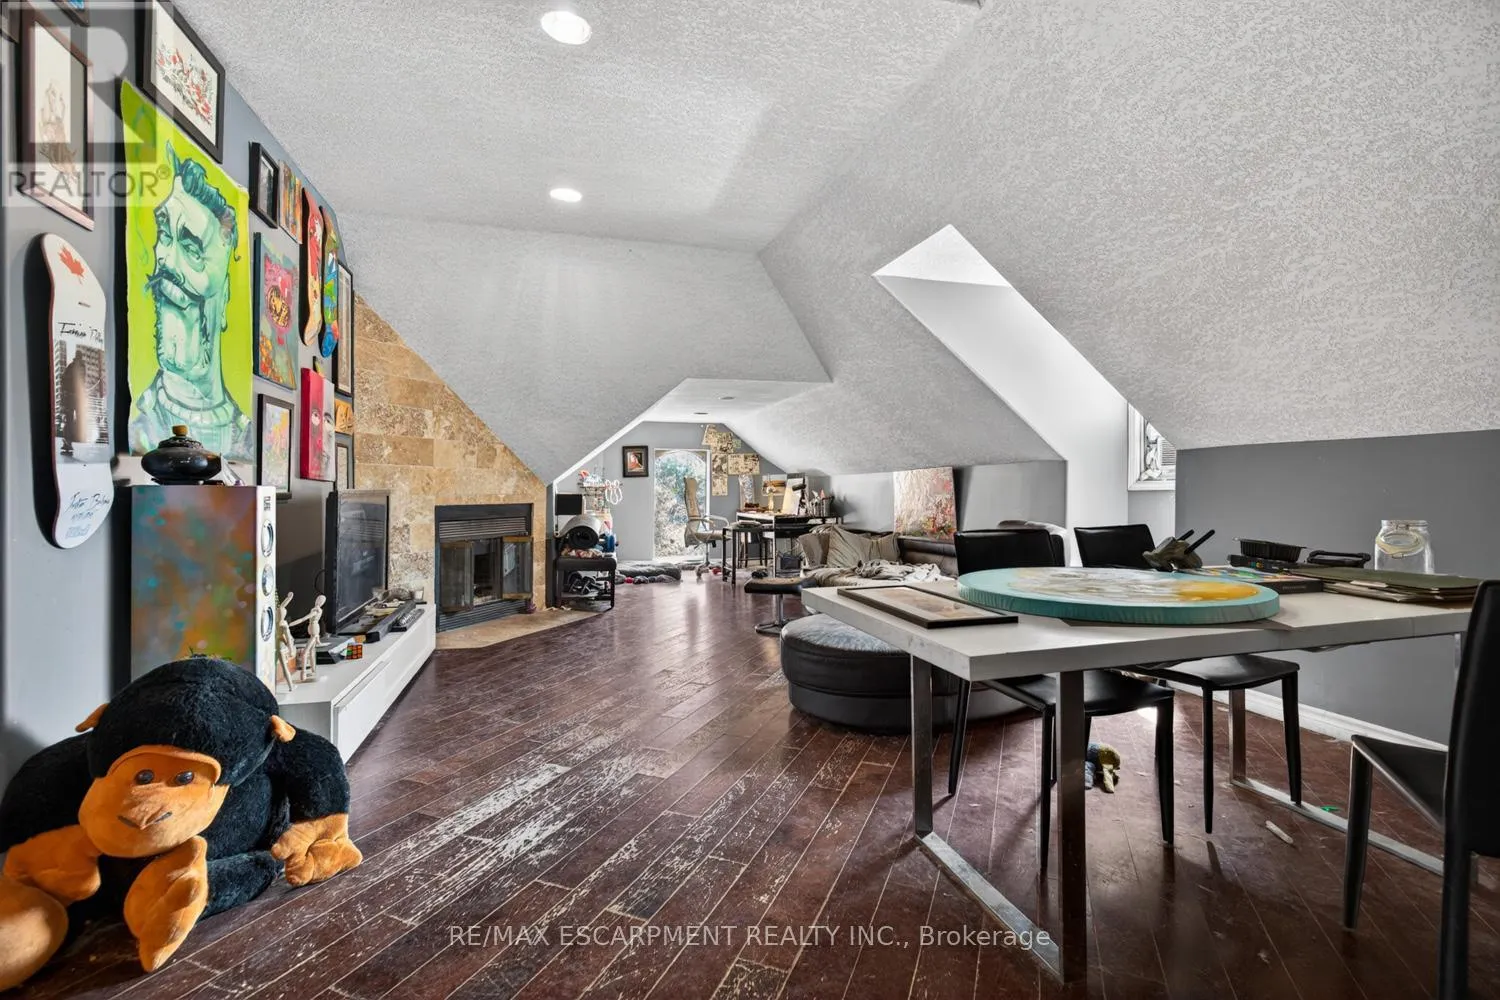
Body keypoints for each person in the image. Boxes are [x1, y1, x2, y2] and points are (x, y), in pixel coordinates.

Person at [128, 148, 251, 459]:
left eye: (192, 249)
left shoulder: (248, 439)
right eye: (165, 235)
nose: (166, 259)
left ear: (225, 296)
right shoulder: (140, 426)